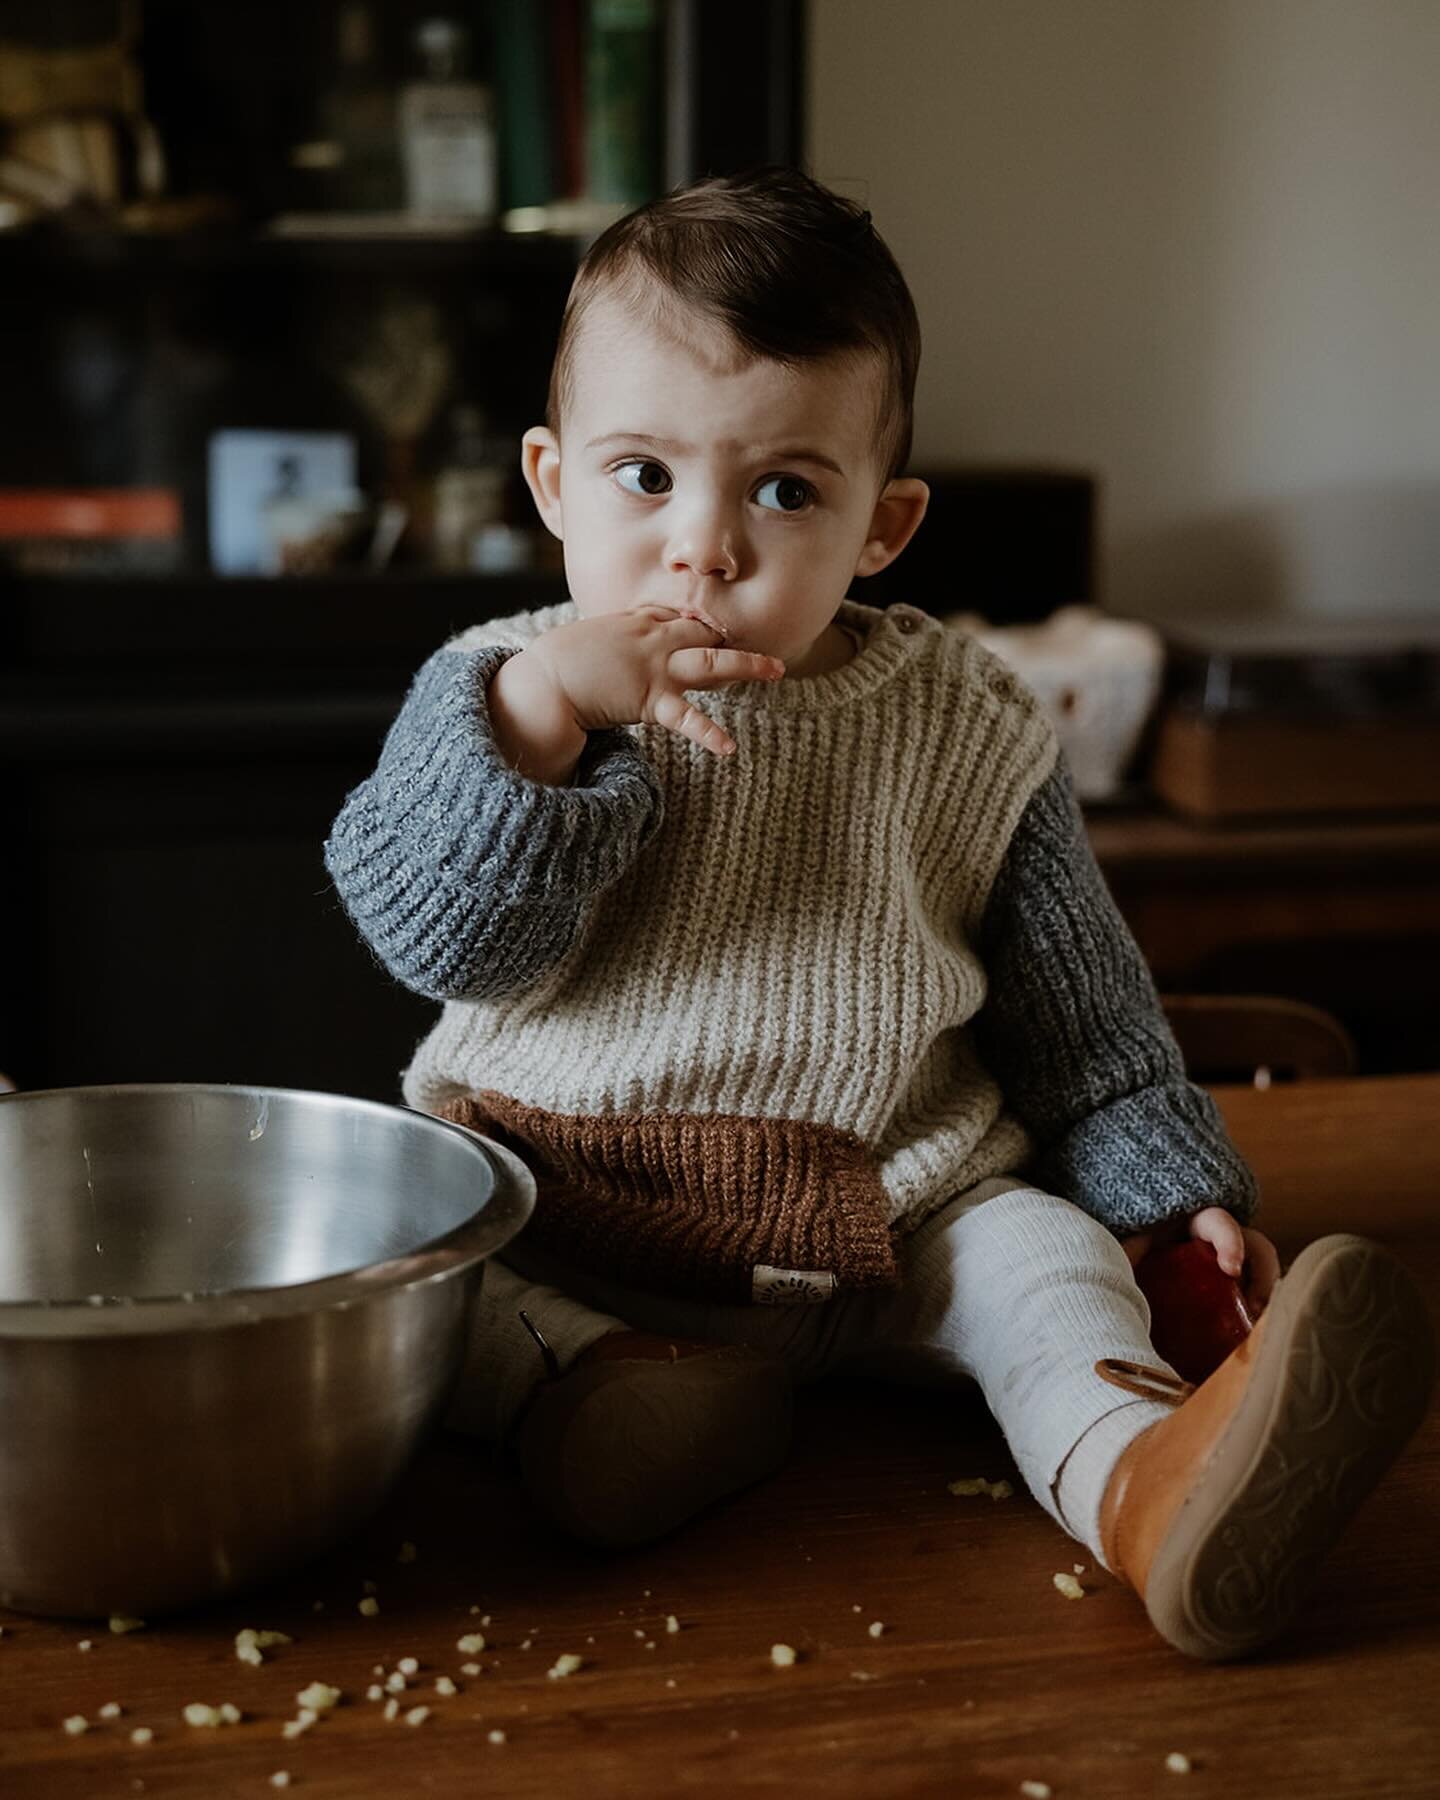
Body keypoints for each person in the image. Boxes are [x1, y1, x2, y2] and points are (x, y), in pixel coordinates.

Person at [325, 166, 1434, 1662]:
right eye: (644, 476)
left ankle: (1150, 1485)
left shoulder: (968, 719)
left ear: (885, 525)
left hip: (899, 1213)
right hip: (579, 1210)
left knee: (1046, 1267)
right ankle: (604, 1394)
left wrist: (1172, 1202)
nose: (703, 546)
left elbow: (1084, 1022)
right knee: (422, 1270)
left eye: (784, 489)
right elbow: (437, 940)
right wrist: (547, 726)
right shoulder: (500, 690)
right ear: (550, 483)